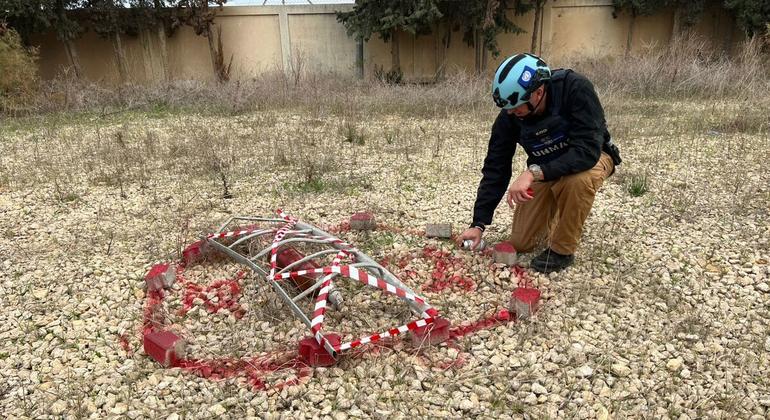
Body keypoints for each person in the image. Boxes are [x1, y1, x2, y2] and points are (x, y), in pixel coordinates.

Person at [456, 53, 622, 273]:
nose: (512, 112)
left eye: (517, 106)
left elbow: (586, 151)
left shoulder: (574, 88)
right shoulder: (510, 115)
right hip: (546, 166)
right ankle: (558, 212)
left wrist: (532, 173)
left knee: (575, 182)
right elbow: (496, 168)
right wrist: (478, 223)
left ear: (538, 92)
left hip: (591, 158)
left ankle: (562, 250)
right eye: (507, 108)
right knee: (523, 242)